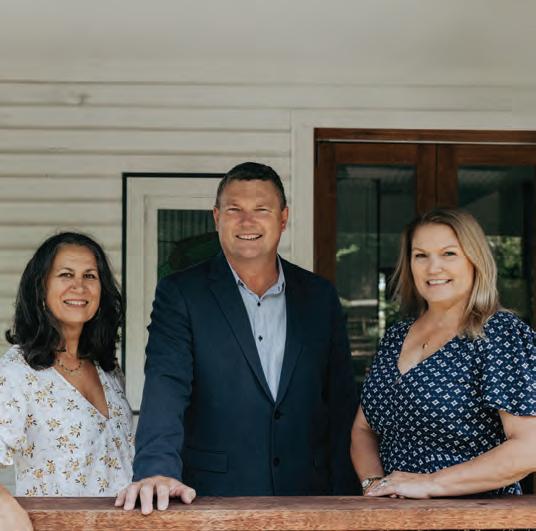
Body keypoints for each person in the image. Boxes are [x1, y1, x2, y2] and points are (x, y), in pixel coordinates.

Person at [116, 162, 358, 514]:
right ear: (216, 217)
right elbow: (166, 385)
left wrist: (350, 494)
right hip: (213, 500)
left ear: (283, 218)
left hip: (309, 497)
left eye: (261, 209)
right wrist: (156, 469)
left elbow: (340, 400)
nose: (247, 222)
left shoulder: (319, 296)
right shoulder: (181, 293)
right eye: (234, 210)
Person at [351, 208, 536, 498]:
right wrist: (375, 485)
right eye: (421, 255)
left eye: (448, 254)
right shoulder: (396, 336)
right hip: (392, 517)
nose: (433, 267)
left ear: (475, 260)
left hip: (473, 515)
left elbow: (529, 448)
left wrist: (430, 483)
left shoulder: (500, 333)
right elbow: (363, 430)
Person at [0, 233, 134, 514]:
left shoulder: (107, 368)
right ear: (41, 287)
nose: (79, 286)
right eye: (66, 275)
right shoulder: (17, 371)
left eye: (90, 276)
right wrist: (7, 511)